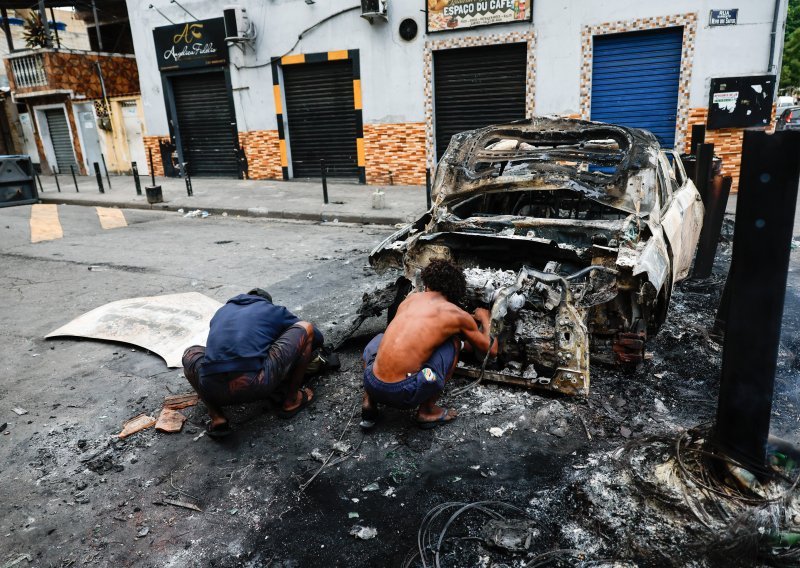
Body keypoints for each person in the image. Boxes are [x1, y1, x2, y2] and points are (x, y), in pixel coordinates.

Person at [361, 259, 497, 430]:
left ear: (426, 284)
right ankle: (427, 411)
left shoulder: (409, 300)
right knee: (454, 343)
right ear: (455, 292)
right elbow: (491, 350)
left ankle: (368, 400)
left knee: (380, 339)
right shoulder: (457, 314)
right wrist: (486, 318)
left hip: (372, 381)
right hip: (404, 392)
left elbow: (412, 338)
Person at [182, 289, 325, 438]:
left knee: (191, 352)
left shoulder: (221, 312)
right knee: (306, 328)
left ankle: (217, 416)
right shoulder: (272, 310)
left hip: (211, 386)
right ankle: (292, 400)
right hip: (255, 383)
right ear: (266, 301)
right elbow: (317, 337)